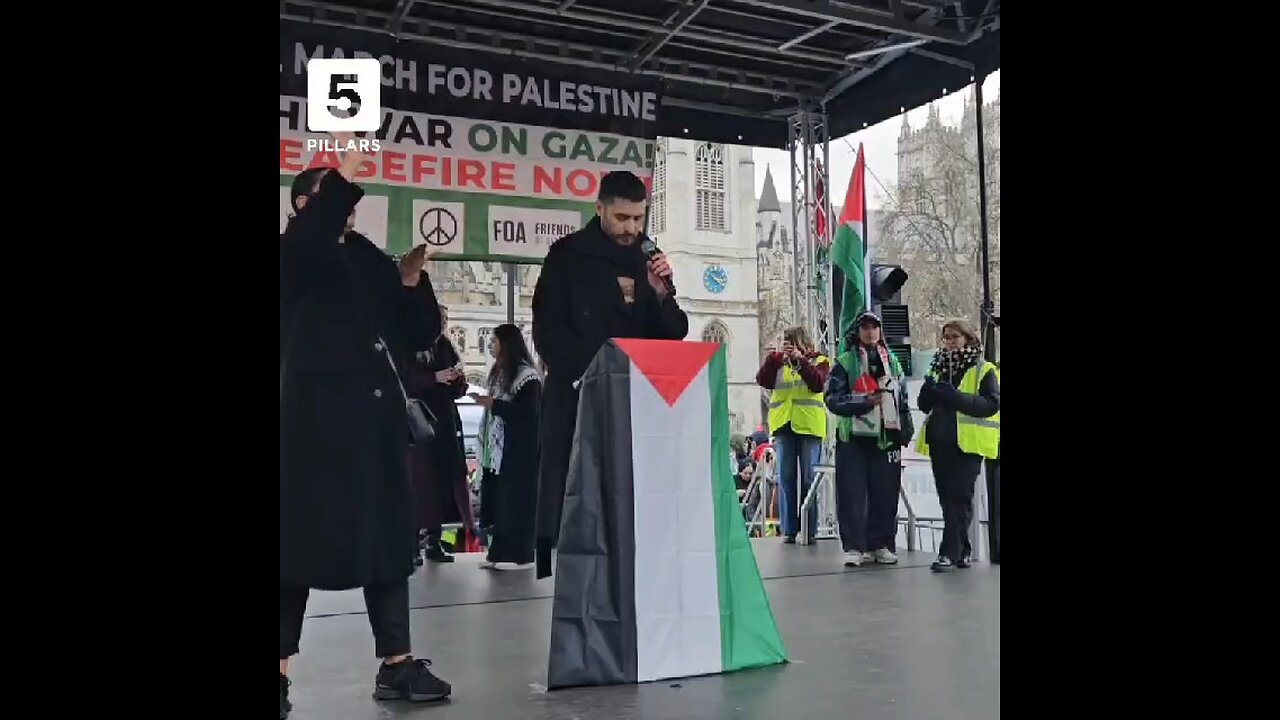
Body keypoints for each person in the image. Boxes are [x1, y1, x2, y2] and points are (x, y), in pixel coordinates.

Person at [279, 135, 451, 717]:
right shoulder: (297, 252)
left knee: (388, 540)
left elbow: (421, 333)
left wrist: (410, 282)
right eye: (338, 202)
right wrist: (343, 169)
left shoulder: (367, 257)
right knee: (292, 543)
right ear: (306, 205)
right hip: (311, 422)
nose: (349, 213)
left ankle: (397, 665)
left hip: (373, 423)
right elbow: (312, 245)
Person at [531, 170, 689, 577]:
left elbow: (675, 333)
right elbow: (548, 331)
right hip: (579, 398)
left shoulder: (646, 261)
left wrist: (659, 292)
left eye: (638, 218)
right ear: (599, 208)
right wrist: (591, 371)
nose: (631, 228)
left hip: (635, 403)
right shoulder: (567, 256)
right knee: (579, 500)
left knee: (630, 508)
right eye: (622, 218)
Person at [823, 312, 914, 567]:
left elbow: (902, 398)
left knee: (886, 493)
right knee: (852, 493)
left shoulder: (893, 361)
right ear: (858, 331)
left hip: (886, 437)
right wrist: (863, 402)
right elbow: (831, 399)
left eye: (875, 327)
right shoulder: (844, 362)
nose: (870, 331)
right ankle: (854, 547)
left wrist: (905, 429)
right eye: (865, 327)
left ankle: (881, 544)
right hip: (853, 437)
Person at [916, 320, 1000, 573]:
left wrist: (956, 397)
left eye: (955, 337)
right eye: (946, 338)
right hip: (940, 441)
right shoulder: (939, 366)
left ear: (968, 339)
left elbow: (990, 404)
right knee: (947, 499)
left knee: (958, 498)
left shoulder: (983, 369)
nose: (950, 342)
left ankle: (948, 553)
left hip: (968, 443)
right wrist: (930, 392)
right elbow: (922, 404)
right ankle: (962, 550)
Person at [405, 303, 476, 565]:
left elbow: (460, 387)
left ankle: (436, 541)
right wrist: (433, 378)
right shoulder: (407, 343)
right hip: (416, 421)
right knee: (416, 485)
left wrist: (456, 378)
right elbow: (403, 379)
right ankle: (411, 545)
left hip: (444, 421)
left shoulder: (444, 344)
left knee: (442, 483)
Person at [471, 324, 543, 570]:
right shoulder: (500, 374)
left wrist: (495, 405)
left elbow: (529, 413)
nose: (490, 346)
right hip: (497, 454)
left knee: (515, 505)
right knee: (499, 503)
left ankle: (520, 554)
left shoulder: (527, 377)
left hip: (517, 454)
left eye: (494, 342)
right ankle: (497, 552)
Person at [755, 326, 830, 544]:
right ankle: (789, 530)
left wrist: (802, 361)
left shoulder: (821, 360)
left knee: (809, 479)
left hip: (809, 425)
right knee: (786, 478)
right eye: (786, 342)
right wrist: (774, 359)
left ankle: (809, 529)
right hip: (783, 425)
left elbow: (818, 384)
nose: (789, 346)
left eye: (792, 342)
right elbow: (762, 380)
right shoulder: (778, 363)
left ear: (804, 343)